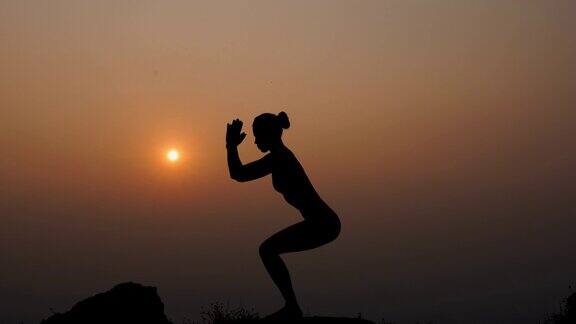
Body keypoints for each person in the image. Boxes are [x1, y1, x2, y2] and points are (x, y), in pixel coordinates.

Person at [226, 112, 341, 320]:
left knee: (267, 250)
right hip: (322, 222)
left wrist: (231, 146)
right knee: (269, 250)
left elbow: (239, 174)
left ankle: (292, 307)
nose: (254, 141)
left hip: (323, 223)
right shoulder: (280, 156)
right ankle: (291, 306)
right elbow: (239, 174)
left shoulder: (279, 158)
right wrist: (231, 146)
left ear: (268, 135)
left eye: (257, 136)